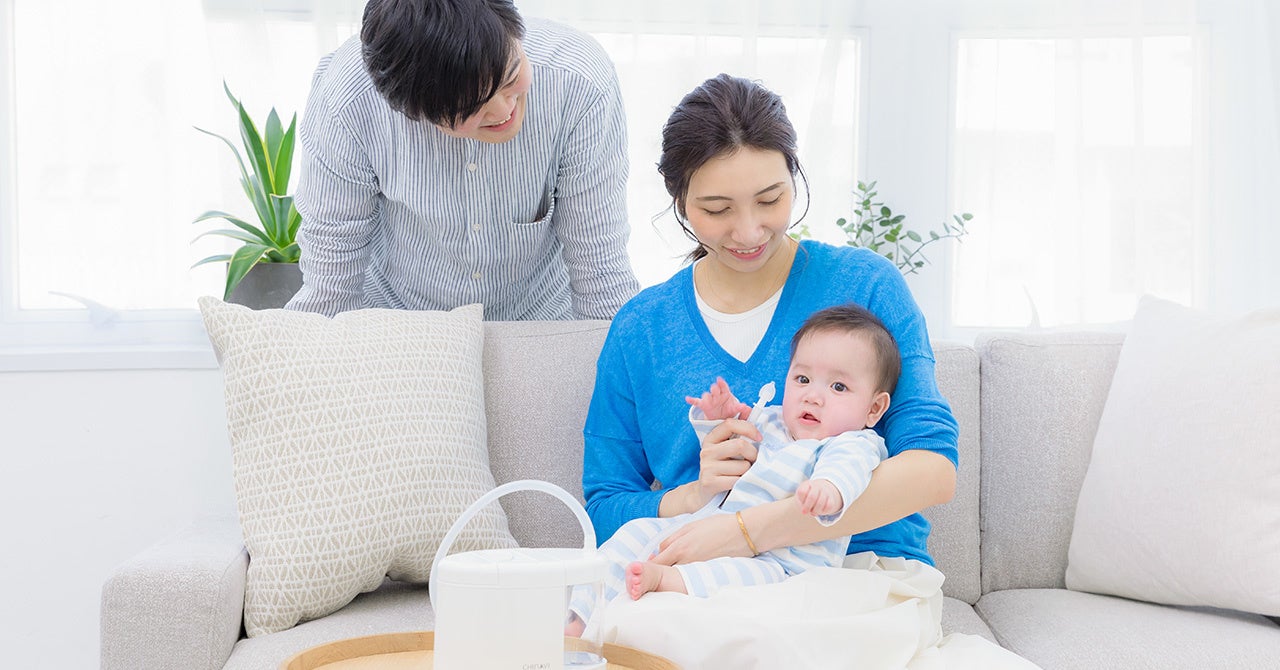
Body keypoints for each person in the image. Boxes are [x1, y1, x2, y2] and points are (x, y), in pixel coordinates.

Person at [582, 74, 959, 584]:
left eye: (770, 199)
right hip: (703, 581)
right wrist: (695, 496)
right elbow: (605, 504)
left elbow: (932, 471)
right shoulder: (641, 329)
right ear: (680, 202)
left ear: (794, 175)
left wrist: (747, 530)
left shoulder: (866, 285)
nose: (749, 231)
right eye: (717, 210)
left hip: (859, 573)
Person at [285, 0, 639, 320]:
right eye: (470, 108)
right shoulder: (348, 101)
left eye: (511, 76)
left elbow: (601, 274)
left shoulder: (580, 82)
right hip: (401, 322)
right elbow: (331, 289)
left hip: (540, 322)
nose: (505, 110)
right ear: (411, 111)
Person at [568, 304, 897, 630]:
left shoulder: (852, 443)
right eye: (802, 378)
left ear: (874, 408)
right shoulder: (772, 421)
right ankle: (579, 619)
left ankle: (667, 580)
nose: (813, 396)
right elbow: (728, 454)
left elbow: (847, 471)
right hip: (711, 528)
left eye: (838, 387)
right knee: (633, 533)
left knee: (744, 577)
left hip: (785, 564)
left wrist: (829, 489)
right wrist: (718, 419)